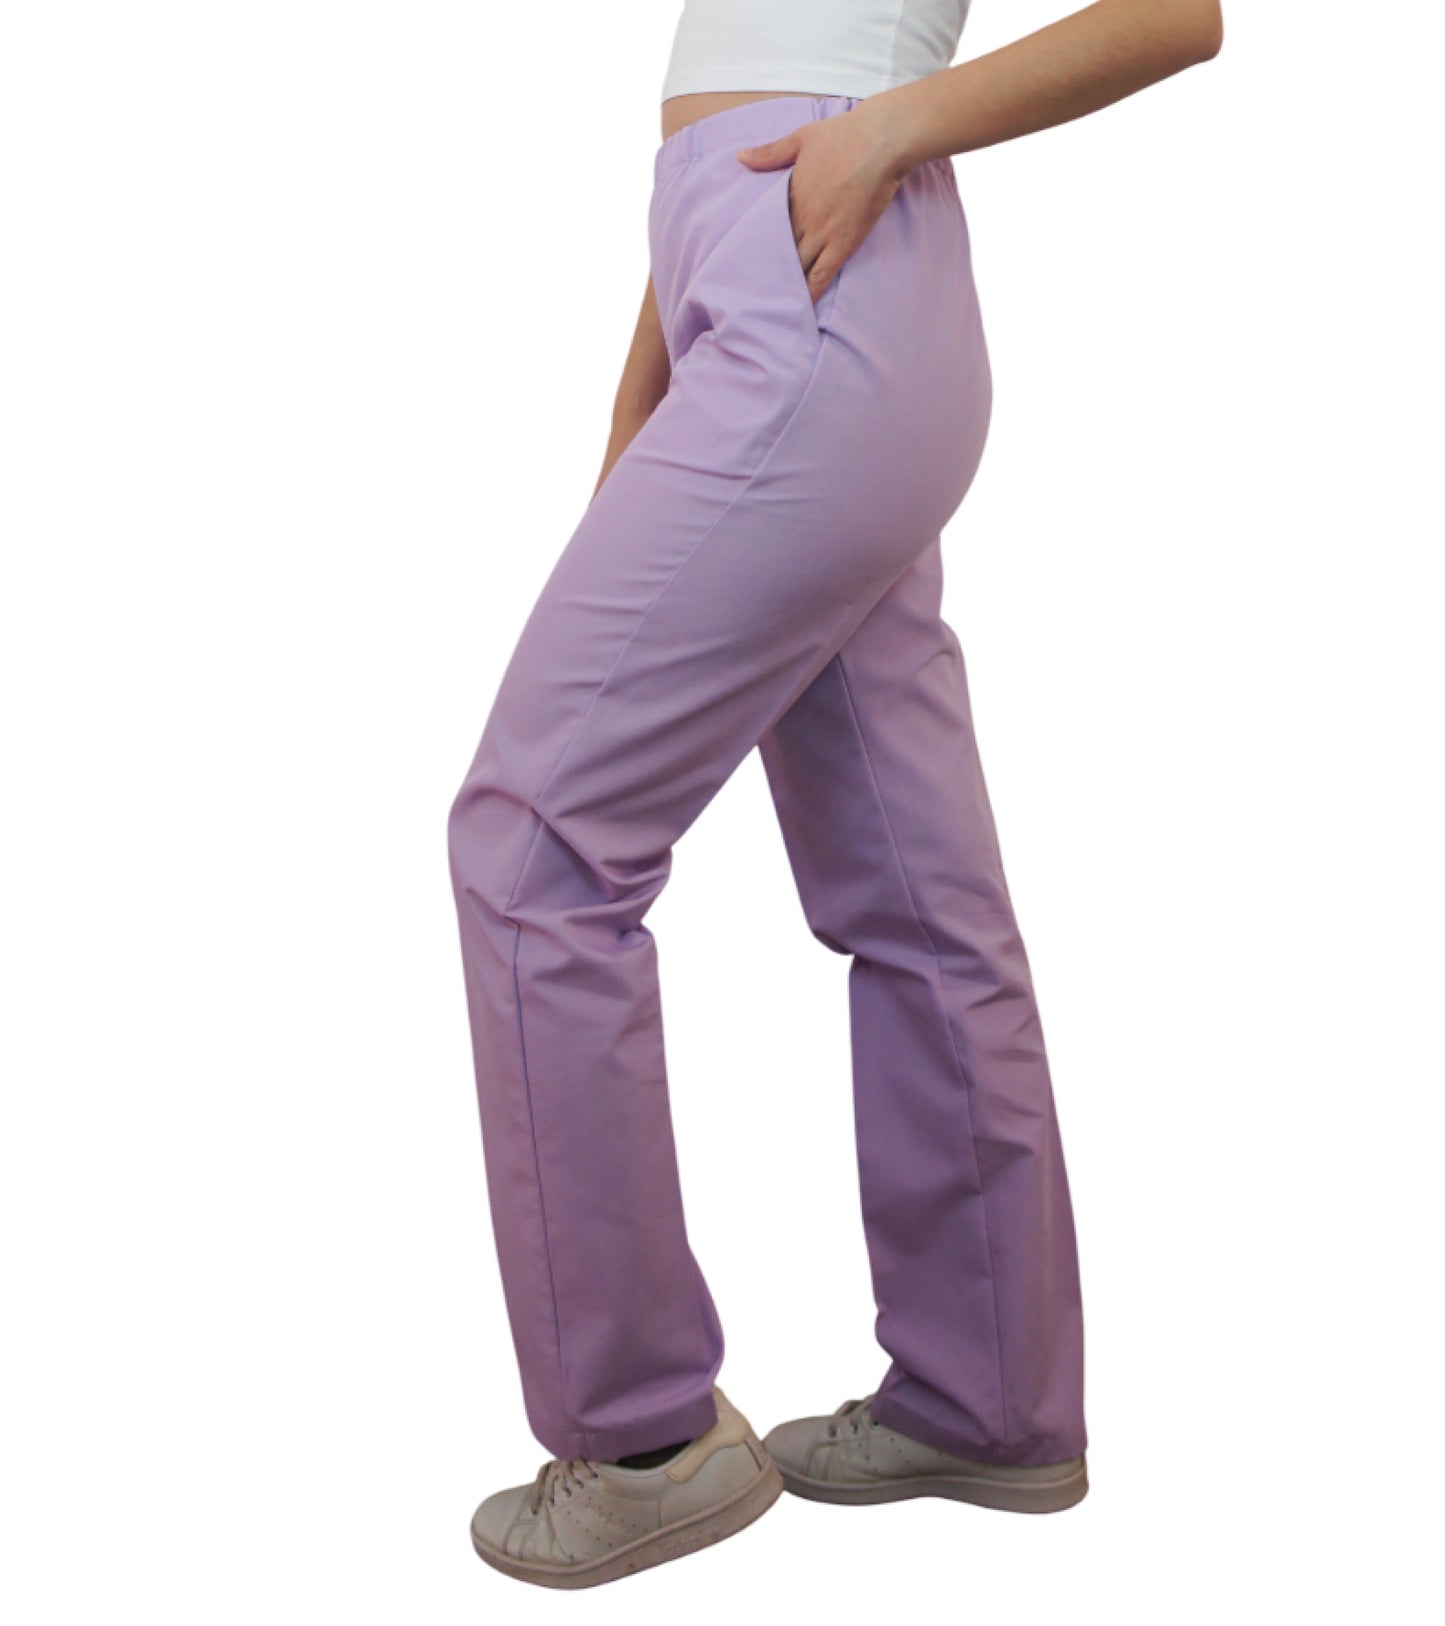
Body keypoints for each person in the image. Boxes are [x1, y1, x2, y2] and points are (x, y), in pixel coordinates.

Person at [447, 0, 1223, 1590]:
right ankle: (987, 1397)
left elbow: (1177, 15)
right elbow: (728, 105)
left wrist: (885, 133)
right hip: (787, 293)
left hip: (831, 275)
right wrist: (642, 391)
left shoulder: (869, 143)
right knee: (919, 893)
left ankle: (643, 1440)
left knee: (533, 852)